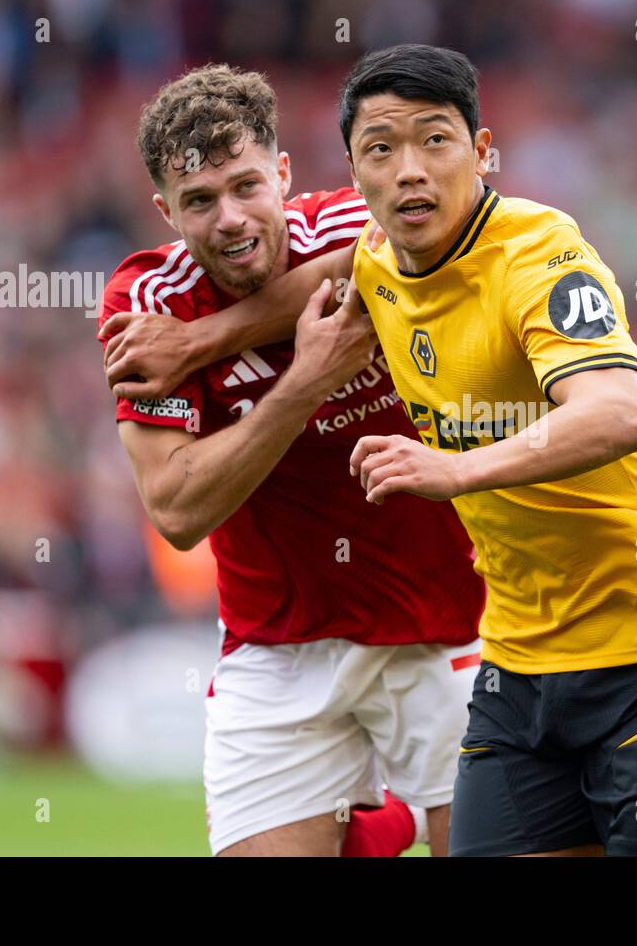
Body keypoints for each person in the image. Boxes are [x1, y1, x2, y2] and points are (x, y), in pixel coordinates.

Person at [339, 44, 637, 856]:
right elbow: (299, 286)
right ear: (354, 172)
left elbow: (613, 414)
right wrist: (195, 341)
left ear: (483, 152)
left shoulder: (538, 251)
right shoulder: (374, 262)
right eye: (381, 149)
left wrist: (453, 469)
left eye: (435, 140)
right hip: (522, 661)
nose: (409, 170)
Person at [97, 63, 485, 857]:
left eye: (246, 186)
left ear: (283, 174)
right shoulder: (147, 305)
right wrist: (305, 381)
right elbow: (177, 511)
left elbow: (415, 236)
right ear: (165, 211)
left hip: (453, 623)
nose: (231, 218)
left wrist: (210, 340)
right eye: (200, 201)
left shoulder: (355, 225)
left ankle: (390, 818)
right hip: (280, 646)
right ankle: (383, 824)